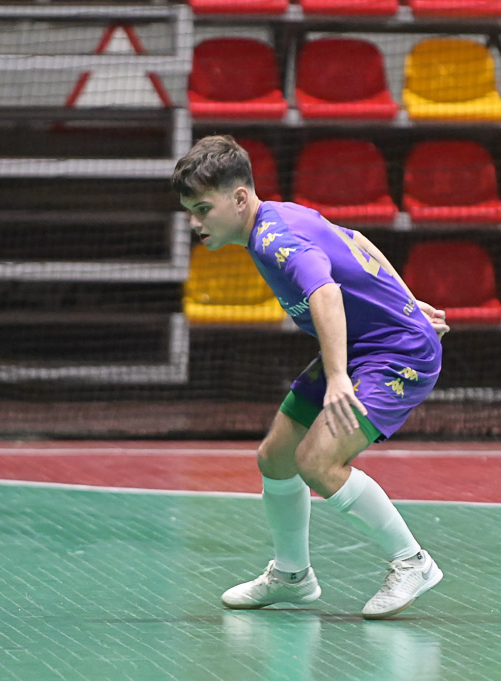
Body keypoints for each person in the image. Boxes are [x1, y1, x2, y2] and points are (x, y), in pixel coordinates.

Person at [171, 135, 450, 620]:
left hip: (395, 353)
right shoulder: (277, 217)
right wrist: (405, 300)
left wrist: (339, 375)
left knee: (317, 461)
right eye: (189, 212)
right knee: (276, 457)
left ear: (240, 198)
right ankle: (292, 576)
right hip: (363, 344)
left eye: (202, 209)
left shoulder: (274, 240)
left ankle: (413, 562)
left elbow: (325, 292)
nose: (195, 223)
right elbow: (355, 241)